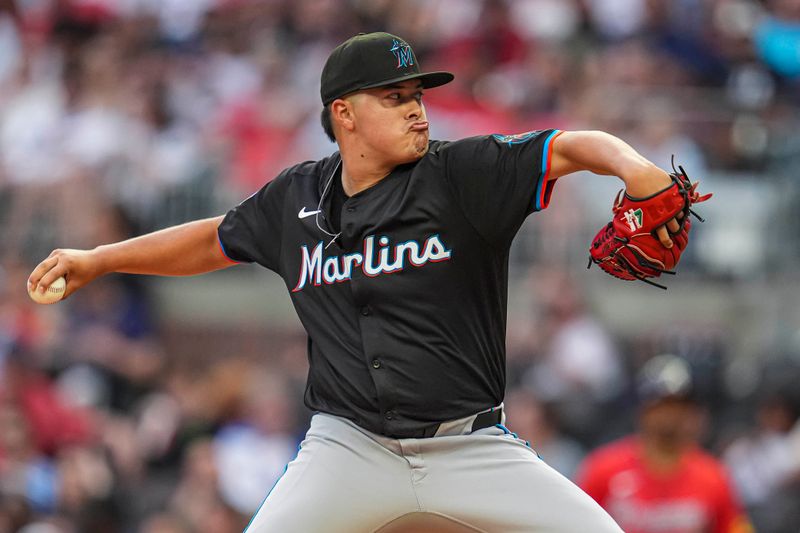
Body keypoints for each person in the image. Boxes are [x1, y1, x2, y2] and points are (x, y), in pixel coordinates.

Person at [28, 32, 687, 532]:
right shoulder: (299, 197)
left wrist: (634, 166)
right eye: (395, 97)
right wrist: (102, 258)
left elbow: (572, 146)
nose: (417, 111)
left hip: (470, 443)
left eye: (418, 95)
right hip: (349, 446)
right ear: (344, 114)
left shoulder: (460, 174)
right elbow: (212, 238)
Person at [576, 354, 753, 533]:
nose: (671, 414)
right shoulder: (603, 469)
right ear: (643, 409)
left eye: (680, 405)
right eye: (663, 404)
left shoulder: (713, 475)